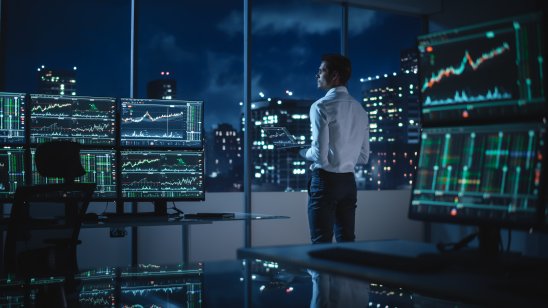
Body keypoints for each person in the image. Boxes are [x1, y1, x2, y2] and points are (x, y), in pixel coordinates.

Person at [305, 53, 370, 244]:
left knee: (320, 244)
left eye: (321, 70)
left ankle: (320, 276)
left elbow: (319, 155)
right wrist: (344, 156)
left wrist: (301, 151)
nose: (317, 74)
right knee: (347, 243)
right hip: (349, 183)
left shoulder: (321, 106)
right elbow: (364, 157)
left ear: (335, 76)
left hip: (325, 181)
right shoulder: (360, 110)